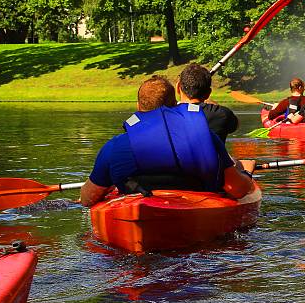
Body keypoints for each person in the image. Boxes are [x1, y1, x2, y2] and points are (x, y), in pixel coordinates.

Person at [79, 75, 254, 208]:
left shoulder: (114, 147)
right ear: (175, 105)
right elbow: (237, 189)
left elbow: (88, 199)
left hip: (137, 207)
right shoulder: (207, 139)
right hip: (195, 210)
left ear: (139, 107)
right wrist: (246, 173)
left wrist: (109, 185)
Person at [176, 63, 239, 142]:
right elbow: (236, 125)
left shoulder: (165, 115)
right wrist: (215, 105)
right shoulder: (222, 114)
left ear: (178, 88)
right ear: (208, 93)